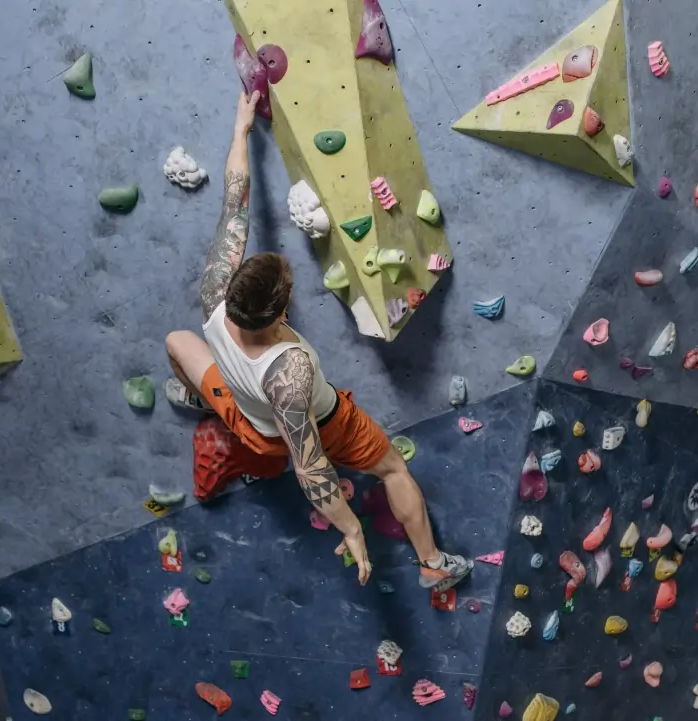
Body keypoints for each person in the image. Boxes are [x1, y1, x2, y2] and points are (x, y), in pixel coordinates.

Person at [164, 90, 472, 591]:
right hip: (304, 424)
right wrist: (351, 529)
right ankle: (434, 565)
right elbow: (311, 469)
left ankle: (200, 396)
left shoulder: (215, 289)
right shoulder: (291, 372)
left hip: (241, 402)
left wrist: (241, 129)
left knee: (179, 341)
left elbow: (234, 197)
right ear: (281, 313)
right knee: (393, 468)